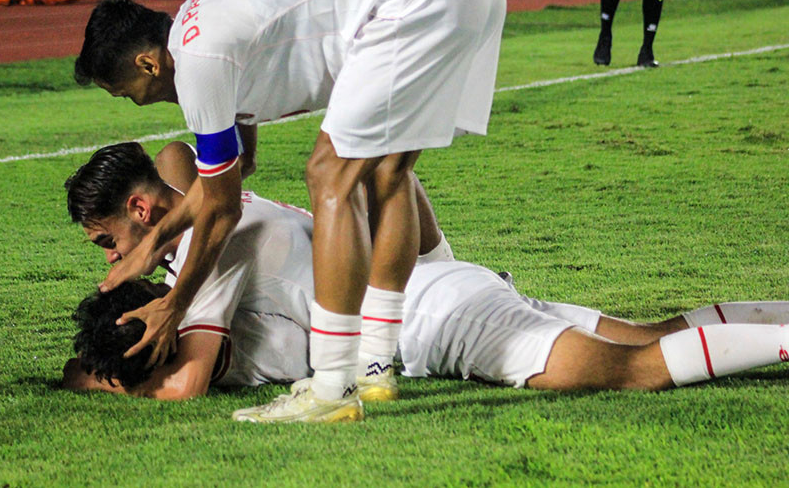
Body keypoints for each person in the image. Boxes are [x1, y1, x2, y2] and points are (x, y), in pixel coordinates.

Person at [73, 0, 505, 423]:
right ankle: (405, 333)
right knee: (384, 169)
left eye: (125, 91)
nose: (134, 103)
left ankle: (333, 385)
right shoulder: (199, 23)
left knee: (331, 175)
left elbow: (222, 206)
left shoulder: (197, 60)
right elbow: (234, 171)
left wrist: (173, 303)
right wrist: (155, 239)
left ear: (148, 63)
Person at [62, 142, 789, 410]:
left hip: (438, 322)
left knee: (637, 371)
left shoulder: (200, 247)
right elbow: (178, 156)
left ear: (136, 207)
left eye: (106, 242)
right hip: (443, 285)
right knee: (654, 334)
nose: (111, 260)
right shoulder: (220, 201)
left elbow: (186, 382)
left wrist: (88, 374)